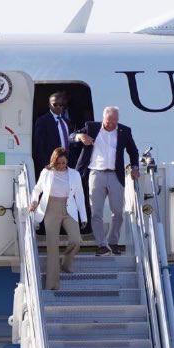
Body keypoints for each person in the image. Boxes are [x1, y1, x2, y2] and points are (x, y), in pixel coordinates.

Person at [69, 106, 140, 256]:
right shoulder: (91, 127)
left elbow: (133, 151)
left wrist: (135, 167)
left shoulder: (124, 131)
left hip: (116, 175)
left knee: (118, 212)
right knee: (96, 212)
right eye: (109, 121)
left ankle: (113, 242)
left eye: (115, 121)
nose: (112, 125)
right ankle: (101, 244)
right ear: (103, 119)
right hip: (96, 175)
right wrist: (80, 137)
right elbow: (71, 137)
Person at [28, 147, 86, 290]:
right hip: (50, 209)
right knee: (52, 247)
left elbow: (79, 196)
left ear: (67, 161)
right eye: (58, 163)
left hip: (68, 209)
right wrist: (34, 201)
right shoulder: (46, 172)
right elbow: (37, 189)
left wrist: (83, 216)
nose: (61, 165)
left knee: (76, 240)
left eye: (64, 163)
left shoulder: (74, 174)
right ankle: (52, 285)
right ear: (54, 161)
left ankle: (65, 264)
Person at [31, 91, 76, 174]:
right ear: (49, 105)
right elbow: (39, 146)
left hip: (67, 166)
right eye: (55, 104)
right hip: (51, 166)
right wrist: (45, 165)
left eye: (61, 105)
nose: (58, 107)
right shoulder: (42, 121)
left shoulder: (67, 122)